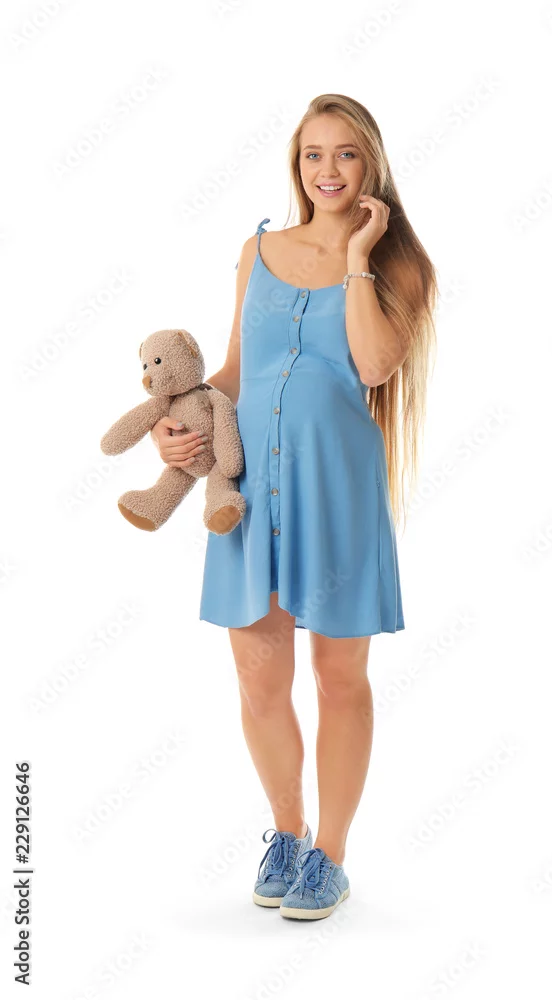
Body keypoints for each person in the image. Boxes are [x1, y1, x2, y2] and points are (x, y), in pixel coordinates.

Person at [151, 94, 437, 920]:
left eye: (346, 154)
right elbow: (236, 371)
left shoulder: (400, 264)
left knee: (339, 677)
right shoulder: (258, 251)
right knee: (257, 675)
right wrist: (180, 424)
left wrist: (358, 257)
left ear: (370, 163)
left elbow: (374, 366)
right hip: (251, 493)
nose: (328, 170)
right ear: (296, 164)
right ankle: (287, 832)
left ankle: (331, 857)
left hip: (336, 489)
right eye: (314, 154)